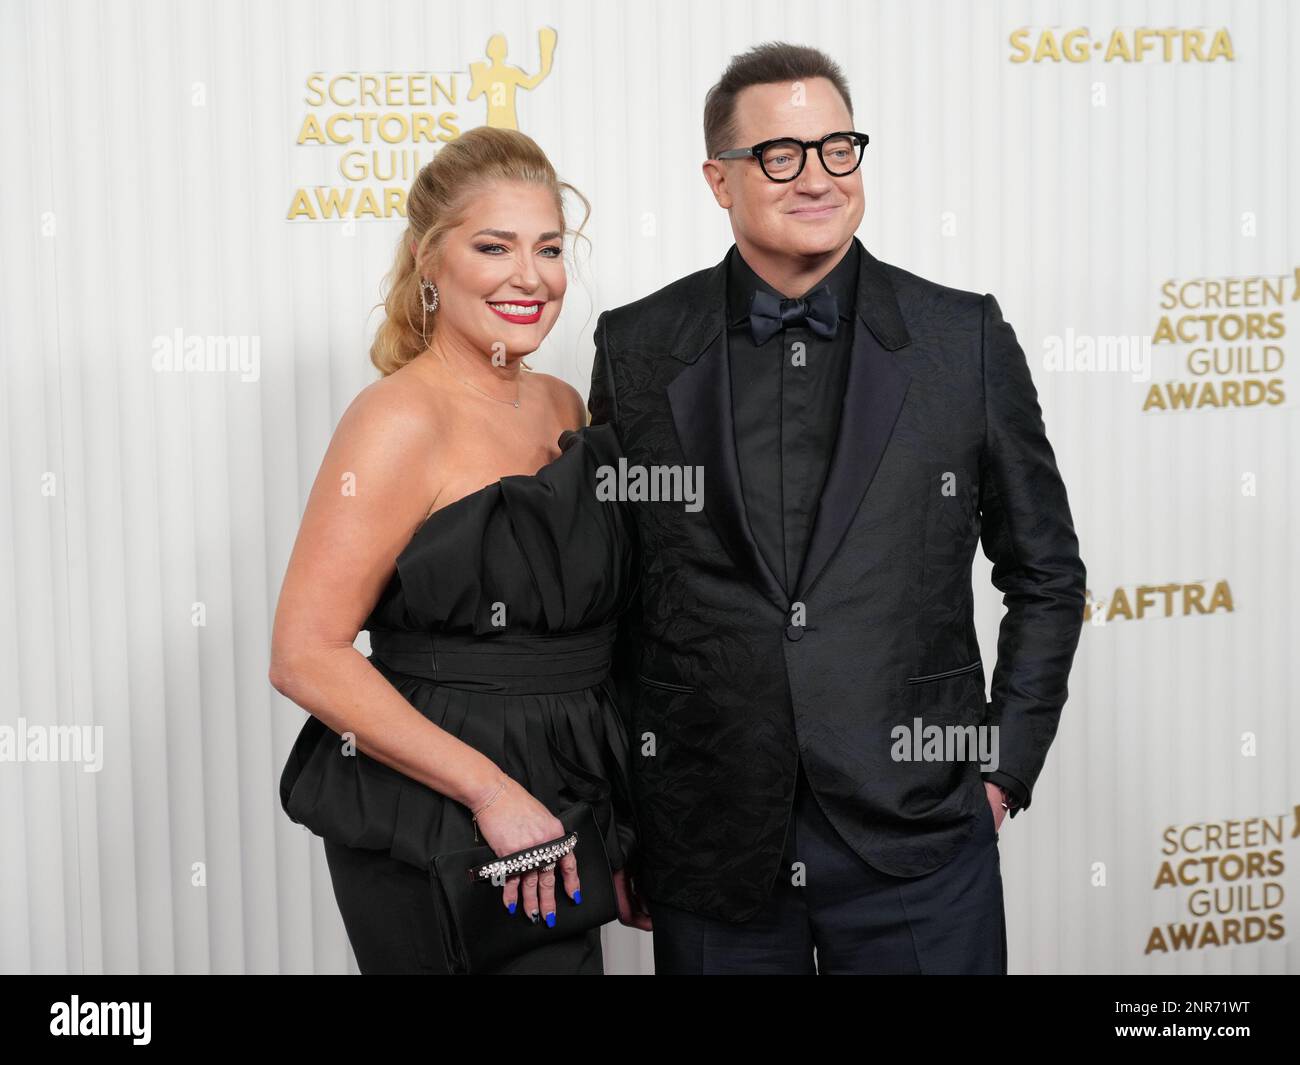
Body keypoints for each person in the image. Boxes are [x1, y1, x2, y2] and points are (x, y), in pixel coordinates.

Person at [588, 42, 1086, 973]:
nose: (816, 177)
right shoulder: (637, 347)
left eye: (838, 148)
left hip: (919, 839)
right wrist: (628, 814)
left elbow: (1046, 574)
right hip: (711, 844)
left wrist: (1001, 771)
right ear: (718, 180)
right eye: (781, 155)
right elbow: (617, 602)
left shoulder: (960, 337)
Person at [271, 125, 642, 974]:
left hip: (567, 788)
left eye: (549, 248)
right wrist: (490, 790)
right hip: (442, 805)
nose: (530, 276)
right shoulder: (397, 419)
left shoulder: (561, 403)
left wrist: (623, 821)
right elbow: (304, 654)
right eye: (493, 246)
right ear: (429, 261)